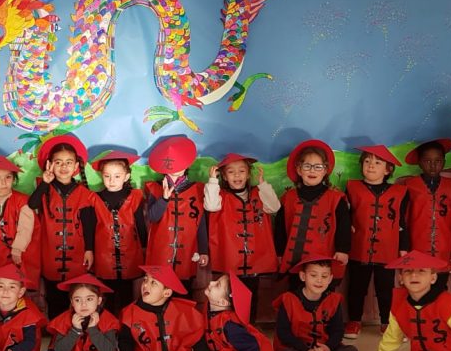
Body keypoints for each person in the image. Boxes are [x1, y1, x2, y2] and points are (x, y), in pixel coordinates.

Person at [28, 134, 97, 319]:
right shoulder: (44, 188)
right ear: (50, 165)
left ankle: (77, 328)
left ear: (76, 167)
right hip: (51, 253)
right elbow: (32, 204)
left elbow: (89, 223)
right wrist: (45, 182)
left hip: (78, 253)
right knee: (54, 298)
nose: (64, 167)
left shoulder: (84, 192)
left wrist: (89, 250)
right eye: (58, 162)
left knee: (78, 296)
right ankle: (56, 330)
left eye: (68, 162)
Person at [204, 153, 280, 317]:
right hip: (231, 258)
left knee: (251, 296)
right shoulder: (220, 196)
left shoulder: (259, 194)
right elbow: (210, 206)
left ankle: (248, 326)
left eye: (242, 171)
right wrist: (213, 181)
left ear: (248, 174)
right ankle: (229, 326)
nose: (237, 175)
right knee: (229, 298)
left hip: (255, 260)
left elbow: (274, 207)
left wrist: (263, 185)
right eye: (231, 172)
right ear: (224, 176)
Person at [345, 145, 409, 337]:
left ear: (388, 169)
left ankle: (386, 322)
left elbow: (402, 222)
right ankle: (354, 321)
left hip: (387, 249)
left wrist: (403, 249)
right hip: (358, 247)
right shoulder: (352, 187)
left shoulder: (400, 192)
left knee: (386, 289)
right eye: (367, 161)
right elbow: (345, 216)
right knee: (356, 287)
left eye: (377, 162)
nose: (371, 165)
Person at [273, 257, 362, 351]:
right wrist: (305, 350)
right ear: (303, 276)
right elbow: (283, 333)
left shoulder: (333, 300)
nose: (319, 280)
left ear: (330, 279)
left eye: (324, 276)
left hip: (323, 349)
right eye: (313, 275)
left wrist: (328, 348)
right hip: (298, 350)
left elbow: (337, 331)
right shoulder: (288, 299)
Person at [275, 139, 350, 281]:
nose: (312, 170)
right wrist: (279, 253)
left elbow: (344, 226)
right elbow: (280, 228)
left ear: (325, 170)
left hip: (322, 262)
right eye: (307, 166)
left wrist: (343, 250)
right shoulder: (288, 198)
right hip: (294, 261)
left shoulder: (336, 198)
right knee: (294, 291)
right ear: (299, 169)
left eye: (318, 166)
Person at [144, 136, 209, 290]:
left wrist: (204, 250)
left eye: (179, 164)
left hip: (187, 252)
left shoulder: (197, 189)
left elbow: (200, 223)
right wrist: (164, 199)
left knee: (184, 291)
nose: (174, 169)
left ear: (187, 164)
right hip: (161, 253)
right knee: (160, 293)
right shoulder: (154, 188)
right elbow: (152, 217)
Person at [42, 273, 122, 351]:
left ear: (99, 300)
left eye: (89, 299)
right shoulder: (64, 319)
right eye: (77, 300)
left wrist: (93, 329)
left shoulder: (108, 320)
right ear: (72, 302)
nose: (83, 304)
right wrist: (75, 330)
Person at [90, 151, 147, 313]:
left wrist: (145, 247)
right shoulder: (94, 198)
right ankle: (108, 323)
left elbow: (140, 224)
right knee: (106, 295)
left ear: (126, 176)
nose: (111, 180)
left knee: (127, 295)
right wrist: (90, 250)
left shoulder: (135, 196)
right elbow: (91, 227)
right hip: (103, 255)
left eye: (117, 176)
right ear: (102, 176)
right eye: (107, 176)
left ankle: (125, 323)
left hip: (130, 252)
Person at [403, 139, 451, 290]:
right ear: (419, 163)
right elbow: (404, 219)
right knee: (419, 287)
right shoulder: (410, 186)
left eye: (438, 161)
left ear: (444, 162)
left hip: (444, 246)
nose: (433, 165)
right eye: (427, 161)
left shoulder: (450, 186)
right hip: (417, 245)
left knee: (440, 286)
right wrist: (405, 246)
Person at [0, 154, 40, 291]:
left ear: (14, 179)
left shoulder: (23, 201)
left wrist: (18, 248)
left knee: (19, 290)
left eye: (8, 177)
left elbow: (26, 227)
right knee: (1, 291)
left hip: (20, 257)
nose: (3, 182)